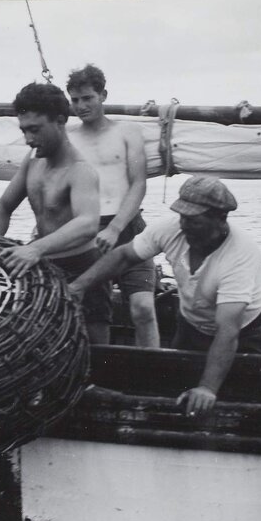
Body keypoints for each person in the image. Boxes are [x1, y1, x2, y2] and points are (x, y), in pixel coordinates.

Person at [69, 176, 261, 416]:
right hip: (192, 322)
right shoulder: (172, 229)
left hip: (246, 331)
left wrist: (207, 388)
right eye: (182, 217)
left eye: (194, 221)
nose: (184, 226)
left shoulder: (240, 255)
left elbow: (228, 331)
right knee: (174, 387)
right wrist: (78, 287)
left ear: (220, 218)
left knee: (238, 399)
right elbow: (123, 256)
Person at [0, 82, 111, 343]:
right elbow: (1, 209)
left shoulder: (80, 170)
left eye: (35, 129)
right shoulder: (32, 161)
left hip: (82, 267)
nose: (28, 139)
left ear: (60, 121)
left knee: (96, 352)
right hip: (43, 267)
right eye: (24, 130)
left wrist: (34, 248)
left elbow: (88, 223)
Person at [66, 64, 160, 347]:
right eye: (75, 100)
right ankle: (103, 371)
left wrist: (116, 227)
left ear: (103, 95)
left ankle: (155, 368)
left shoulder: (128, 132)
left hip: (127, 227)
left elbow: (139, 183)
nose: (81, 106)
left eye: (87, 98)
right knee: (95, 317)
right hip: (87, 233)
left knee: (143, 309)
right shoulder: (68, 138)